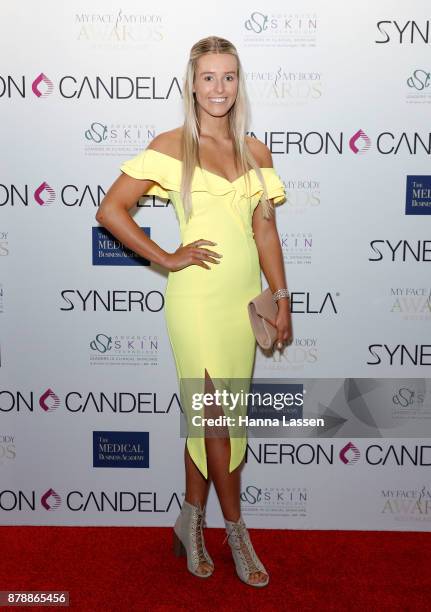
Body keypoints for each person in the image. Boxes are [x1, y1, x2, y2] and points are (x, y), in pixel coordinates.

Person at [95, 35, 292, 588]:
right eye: (208, 77)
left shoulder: (256, 152)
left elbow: (267, 232)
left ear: (239, 82)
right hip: (196, 300)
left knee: (209, 422)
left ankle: (191, 520)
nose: (219, 88)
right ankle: (237, 531)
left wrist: (281, 298)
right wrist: (165, 256)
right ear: (192, 83)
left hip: (240, 301)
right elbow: (111, 209)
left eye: (228, 76)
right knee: (215, 420)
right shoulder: (171, 146)